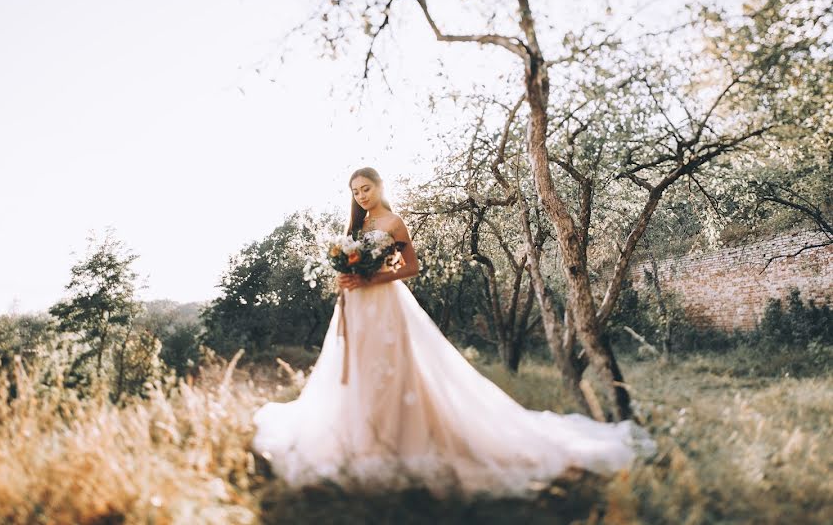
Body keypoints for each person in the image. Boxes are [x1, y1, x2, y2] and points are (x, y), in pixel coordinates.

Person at [251, 167, 654, 499]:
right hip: (355, 308)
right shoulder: (354, 225)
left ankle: (400, 438)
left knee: (390, 370)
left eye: (366, 188)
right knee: (359, 371)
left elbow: (411, 267)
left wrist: (371, 276)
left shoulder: (393, 221)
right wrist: (347, 276)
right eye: (355, 191)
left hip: (384, 304)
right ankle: (361, 437)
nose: (360, 196)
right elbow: (350, 266)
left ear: (379, 187)